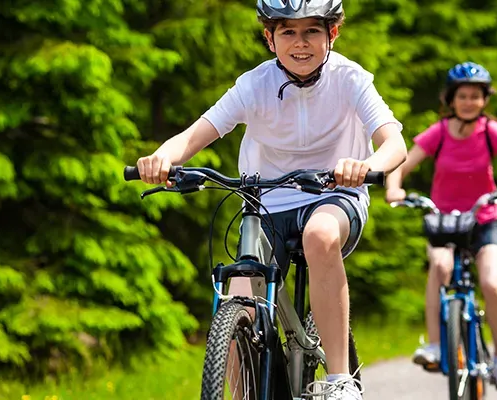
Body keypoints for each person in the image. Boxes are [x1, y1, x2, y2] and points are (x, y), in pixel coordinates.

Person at [136, 1, 407, 398]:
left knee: (320, 235)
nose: (300, 43)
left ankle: (338, 379)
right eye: (288, 32)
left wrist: (366, 165)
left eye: (312, 31)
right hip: (265, 203)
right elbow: (195, 135)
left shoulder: (351, 79)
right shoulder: (254, 85)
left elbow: (394, 142)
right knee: (240, 300)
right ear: (269, 38)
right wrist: (163, 158)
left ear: (332, 33)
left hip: (333, 196)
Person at [384, 61, 497, 393]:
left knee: (492, 283)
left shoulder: (491, 132)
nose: (469, 102)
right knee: (439, 267)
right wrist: (394, 187)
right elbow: (400, 164)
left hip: (484, 222)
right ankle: (437, 346)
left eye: (476, 96)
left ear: (485, 100)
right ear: (450, 99)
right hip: (445, 222)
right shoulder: (437, 132)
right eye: (463, 96)